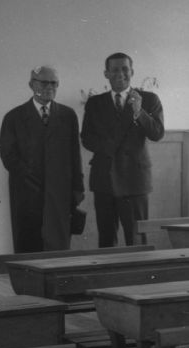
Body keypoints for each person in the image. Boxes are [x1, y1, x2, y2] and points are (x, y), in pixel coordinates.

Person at [81, 52, 164, 247]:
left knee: (137, 240)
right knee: (106, 240)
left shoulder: (149, 99)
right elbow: (87, 139)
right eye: (115, 70)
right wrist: (110, 146)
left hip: (135, 180)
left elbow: (157, 133)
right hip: (104, 178)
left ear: (132, 72)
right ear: (106, 74)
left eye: (125, 69)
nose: (120, 74)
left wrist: (139, 112)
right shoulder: (95, 103)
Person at [0, 65, 84, 252]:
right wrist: (32, 179)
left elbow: (74, 155)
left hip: (59, 194)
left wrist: (78, 189)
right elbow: (8, 156)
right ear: (31, 85)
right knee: (28, 246)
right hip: (27, 195)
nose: (49, 87)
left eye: (54, 83)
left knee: (58, 247)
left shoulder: (68, 115)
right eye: (44, 83)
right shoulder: (14, 117)